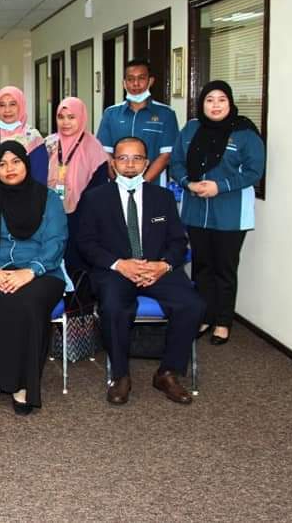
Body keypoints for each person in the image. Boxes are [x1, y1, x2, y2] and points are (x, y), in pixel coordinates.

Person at [75, 137, 204, 406]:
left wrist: (163, 265)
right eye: (123, 158)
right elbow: (86, 243)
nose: (130, 165)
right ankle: (120, 375)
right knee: (113, 307)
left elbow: (178, 242)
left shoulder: (163, 198)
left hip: (157, 269)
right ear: (113, 163)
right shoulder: (95, 198)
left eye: (137, 159)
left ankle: (167, 373)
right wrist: (120, 264)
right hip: (115, 270)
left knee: (192, 305)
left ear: (146, 163)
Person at [0, 141, 67, 415]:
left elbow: (56, 241)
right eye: (2, 164)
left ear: (26, 164)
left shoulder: (49, 199)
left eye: (16, 161)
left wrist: (30, 271)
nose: (9, 168)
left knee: (28, 304)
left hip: (41, 271)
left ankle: (24, 385)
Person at [170, 80, 265, 345]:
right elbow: (176, 162)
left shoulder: (245, 133)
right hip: (195, 209)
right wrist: (188, 183)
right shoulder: (191, 129)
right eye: (209, 100)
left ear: (230, 103)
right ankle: (205, 315)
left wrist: (219, 186)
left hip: (230, 212)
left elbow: (254, 171)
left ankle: (223, 322)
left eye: (221, 100)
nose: (215, 105)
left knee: (224, 268)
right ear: (202, 103)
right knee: (201, 266)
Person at [45, 97, 110, 271]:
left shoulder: (94, 147)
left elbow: (99, 186)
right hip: (50, 211)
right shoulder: (49, 143)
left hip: (81, 214)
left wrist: (80, 211)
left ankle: (77, 287)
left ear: (81, 117)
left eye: (71, 117)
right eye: (61, 117)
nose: (65, 122)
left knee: (76, 258)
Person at [97, 58, 179, 184]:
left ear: (150, 81)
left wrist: (143, 183)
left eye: (141, 78)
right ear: (124, 83)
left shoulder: (166, 114)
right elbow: (104, 152)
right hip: (117, 185)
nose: (136, 83)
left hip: (154, 185)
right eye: (130, 79)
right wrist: (118, 181)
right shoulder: (111, 113)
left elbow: (166, 155)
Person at [0, 85, 48, 186]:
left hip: (24, 193)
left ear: (21, 105)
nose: (7, 110)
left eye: (12, 104)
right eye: (2, 105)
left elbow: (39, 176)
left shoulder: (32, 137)